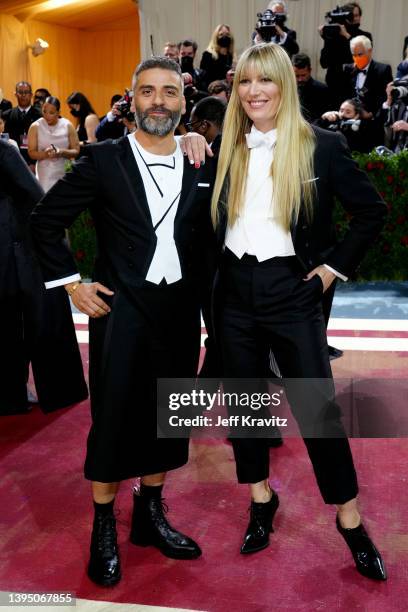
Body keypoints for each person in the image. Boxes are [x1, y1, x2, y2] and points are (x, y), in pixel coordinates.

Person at [30, 56, 216, 587]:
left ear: (183, 101)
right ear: (131, 100)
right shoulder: (103, 159)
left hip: (180, 314)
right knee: (113, 419)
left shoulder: (202, 159)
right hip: (121, 311)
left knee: (169, 417)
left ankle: (151, 515)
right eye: (148, 92)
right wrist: (71, 284)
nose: (159, 101)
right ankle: (104, 525)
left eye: (170, 92)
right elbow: (45, 220)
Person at [209, 43, 387, 580]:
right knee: (244, 407)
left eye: (266, 81)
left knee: (318, 411)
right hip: (234, 294)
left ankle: (350, 521)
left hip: (293, 291)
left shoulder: (322, 146)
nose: (254, 92)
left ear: (286, 85)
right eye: (245, 83)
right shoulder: (225, 148)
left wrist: (332, 270)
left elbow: (370, 213)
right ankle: (261, 499)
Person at [0, 139, 88, 415]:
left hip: (19, 247)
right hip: (17, 248)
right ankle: (34, 393)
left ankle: (15, 396)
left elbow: (33, 199)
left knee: (22, 322)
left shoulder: (4, 150)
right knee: (29, 322)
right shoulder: (4, 150)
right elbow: (35, 198)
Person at [319, 2, 372, 108]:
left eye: (357, 15)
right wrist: (327, 38)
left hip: (352, 85)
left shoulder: (365, 36)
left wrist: (347, 36)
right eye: (352, 16)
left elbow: (363, 60)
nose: (356, 18)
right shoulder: (334, 36)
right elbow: (324, 63)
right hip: (334, 85)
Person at [27, 96, 80, 192]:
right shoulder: (35, 126)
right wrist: (44, 154)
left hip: (63, 170)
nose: (47, 115)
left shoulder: (67, 125)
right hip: (44, 173)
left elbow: (76, 150)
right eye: (44, 111)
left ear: (58, 112)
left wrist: (61, 152)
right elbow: (31, 152)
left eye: (51, 113)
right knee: (45, 198)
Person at [2, 81, 41, 166]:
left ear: (31, 95)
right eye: (20, 92)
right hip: (13, 163)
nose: (23, 95)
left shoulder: (40, 116)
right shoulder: (6, 115)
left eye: (26, 92)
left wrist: (34, 164)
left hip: (36, 163)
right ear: (15, 94)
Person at [292, 53, 331, 123]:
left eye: (303, 75)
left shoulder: (322, 90)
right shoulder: (287, 89)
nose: (300, 79)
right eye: (297, 76)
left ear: (310, 71)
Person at [200, 24, 234, 90]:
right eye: (221, 34)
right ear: (216, 37)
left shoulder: (231, 56)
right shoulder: (208, 55)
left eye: (227, 34)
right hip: (212, 91)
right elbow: (204, 79)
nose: (224, 37)